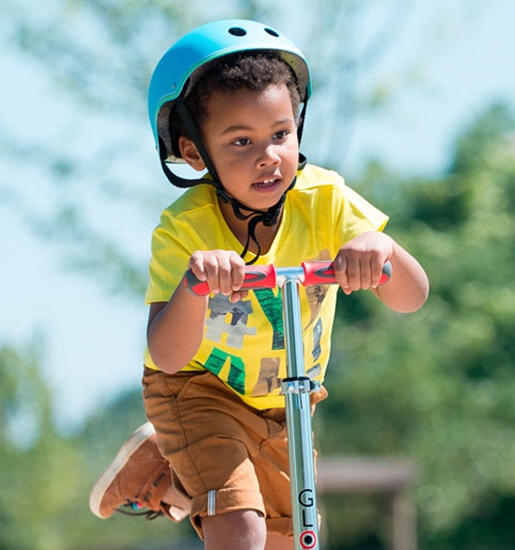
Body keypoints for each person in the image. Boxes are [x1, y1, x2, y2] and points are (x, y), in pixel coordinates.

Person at [89, 19, 429, 549]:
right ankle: (183, 456)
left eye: (280, 134)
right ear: (196, 153)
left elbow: (412, 297)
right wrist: (196, 285)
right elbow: (167, 354)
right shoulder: (183, 229)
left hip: (287, 400)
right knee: (240, 527)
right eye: (241, 141)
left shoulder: (326, 200)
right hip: (198, 390)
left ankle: (171, 476)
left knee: (287, 540)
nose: (268, 155)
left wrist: (379, 250)